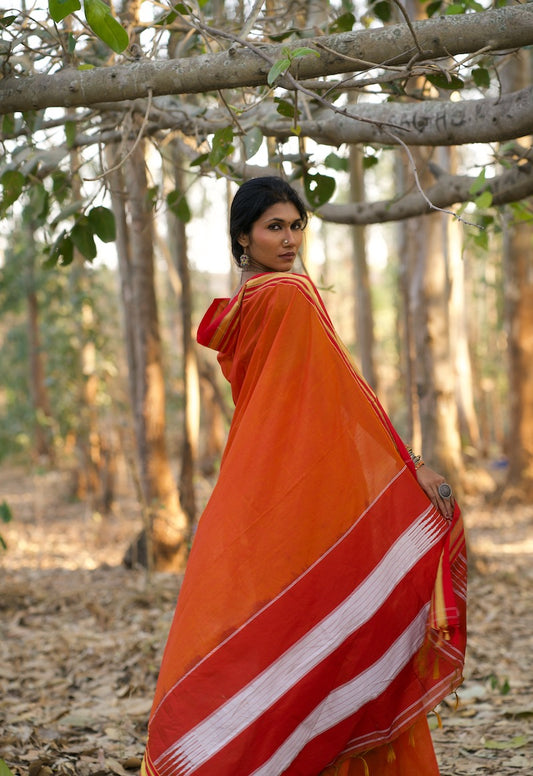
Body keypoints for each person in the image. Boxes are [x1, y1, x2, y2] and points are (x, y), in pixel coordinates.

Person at [141, 176, 467, 776]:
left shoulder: (245, 304)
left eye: (297, 226)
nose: (290, 239)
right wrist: (409, 466)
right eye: (274, 227)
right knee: (313, 620)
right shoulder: (289, 295)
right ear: (244, 236)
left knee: (263, 625)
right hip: (295, 485)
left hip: (255, 482)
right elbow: (346, 392)